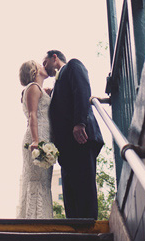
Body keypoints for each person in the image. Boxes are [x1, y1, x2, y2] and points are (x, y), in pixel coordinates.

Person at [43, 50, 104, 219]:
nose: (44, 66)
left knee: (84, 187)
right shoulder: (56, 85)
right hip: (66, 148)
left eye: (44, 62)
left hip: (81, 138)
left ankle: (88, 229)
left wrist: (80, 123)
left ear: (54, 58)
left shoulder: (73, 66)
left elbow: (82, 91)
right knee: (70, 194)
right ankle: (74, 229)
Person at [17, 60, 53, 218]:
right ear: (34, 70)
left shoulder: (38, 89)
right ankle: (34, 220)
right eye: (40, 64)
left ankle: (42, 218)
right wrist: (36, 141)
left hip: (44, 136)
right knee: (36, 181)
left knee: (43, 183)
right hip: (37, 139)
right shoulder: (32, 88)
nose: (43, 66)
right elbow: (33, 114)